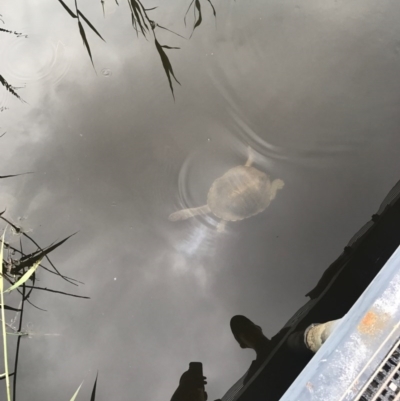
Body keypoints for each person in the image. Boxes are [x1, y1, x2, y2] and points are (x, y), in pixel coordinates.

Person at [170, 315, 339, 401]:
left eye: (248, 326)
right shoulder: (253, 379)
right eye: (242, 333)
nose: (248, 331)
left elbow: (305, 339)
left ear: (258, 327)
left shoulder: (286, 336)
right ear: (242, 344)